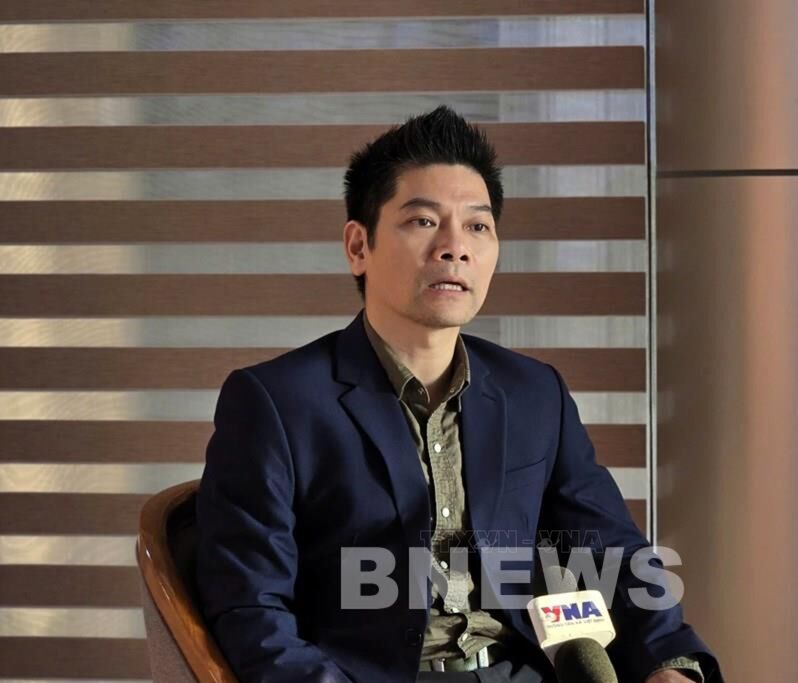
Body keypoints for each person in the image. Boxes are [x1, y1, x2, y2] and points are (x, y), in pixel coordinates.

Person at [195, 106, 721, 683]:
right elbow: (251, 612)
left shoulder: (534, 393)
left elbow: (612, 553)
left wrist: (670, 662)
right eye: (423, 221)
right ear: (358, 246)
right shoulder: (275, 402)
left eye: (477, 226)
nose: (454, 247)